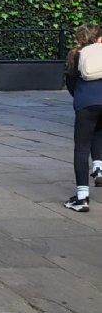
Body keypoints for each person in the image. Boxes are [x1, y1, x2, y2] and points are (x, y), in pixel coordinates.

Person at [63, 23, 102, 212]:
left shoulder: (75, 55)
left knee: (81, 148)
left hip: (86, 102)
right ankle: (99, 167)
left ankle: (82, 198)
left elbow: (70, 83)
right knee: (99, 133)